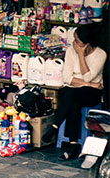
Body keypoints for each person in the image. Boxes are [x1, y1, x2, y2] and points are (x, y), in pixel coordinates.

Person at [42, 23, 106, 159]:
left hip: (91, 94)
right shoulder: (71, 51)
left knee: (72, 95)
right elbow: (67, 78)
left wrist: (81, 55)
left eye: (77, 41)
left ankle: (55, 126)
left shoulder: (101, 54)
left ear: (87, 44)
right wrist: (89, 84)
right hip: (76, 89)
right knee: (73, 101)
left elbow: (89, 75)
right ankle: (73, 146)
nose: (73, 43)